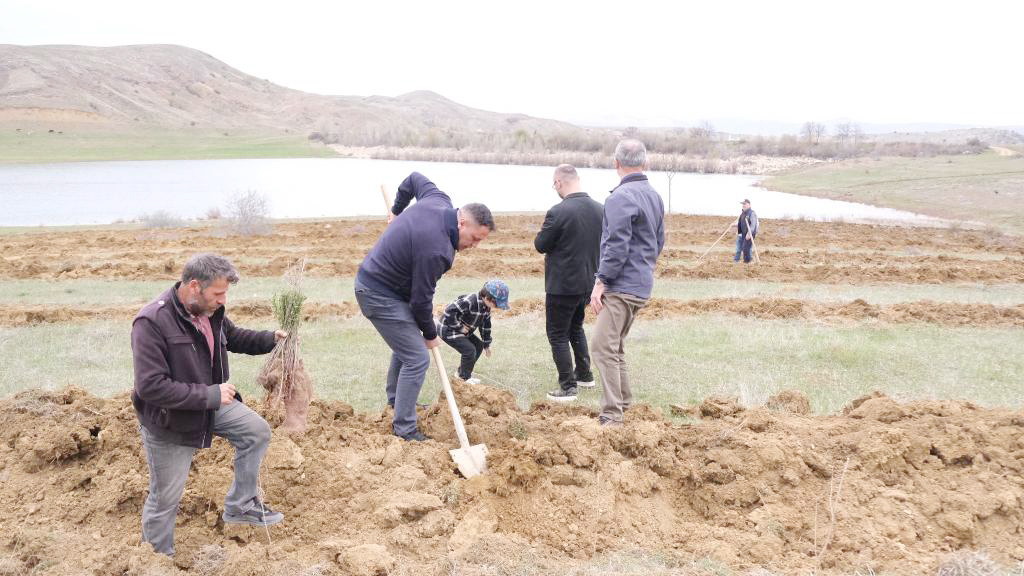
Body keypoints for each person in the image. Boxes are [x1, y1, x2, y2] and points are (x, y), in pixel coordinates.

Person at [131, 253, 288, 557]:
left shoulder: (210, 312)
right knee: (166, 499)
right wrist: (211, 395)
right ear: (194, 286)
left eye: (225, 292)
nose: (223, 299)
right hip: (171, 421)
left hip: (210, 405)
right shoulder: (151, 322)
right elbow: (151, 387)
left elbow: (233, 337)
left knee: (256, 431)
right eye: (218, 293)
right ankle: (155, 560)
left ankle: (241, 506)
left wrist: (271, 339)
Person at [355, 171, 494, 442]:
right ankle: (405, 429)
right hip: (377, 292)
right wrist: (431, 335)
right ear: (462, 222)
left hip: (391, 289)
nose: (475, 246)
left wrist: (396, 211)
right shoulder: (437, 250)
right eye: (475, 238)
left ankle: (397, 402)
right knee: (417, 357)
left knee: (409, 347)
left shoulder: (438, 199)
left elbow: (414, 178)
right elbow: (421, 302)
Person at [589, 139, 665, 426]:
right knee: (614, 345)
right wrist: (644, 267)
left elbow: (615, 245)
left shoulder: (620, 198)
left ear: (616, 163)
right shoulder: (653, 195)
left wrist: (601, 282)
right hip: (641, 283)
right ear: (644, 162)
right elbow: (659, 240)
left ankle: (612, 414)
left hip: (622, 287)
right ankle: (624, 403)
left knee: (600, 346)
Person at [534, 164, 604, 402]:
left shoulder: (558, 212)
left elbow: (541, 244)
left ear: (559, 183)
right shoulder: (601, 210)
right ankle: (584, 374)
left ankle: (568, 386)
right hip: (588, 282)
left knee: (557, 333)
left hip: (562, 285)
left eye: (554, 185)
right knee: (575, 327)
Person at [439, 280, 509, 384]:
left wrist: (486, 344)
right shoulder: (469, 301)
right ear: (487, 298)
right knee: (469, 350)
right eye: (497, 304)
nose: (497, 307)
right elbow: (449, 311)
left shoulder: (486, 307)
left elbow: (485, 326)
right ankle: (463, 378)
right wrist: (459, 327)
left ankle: (461, 372)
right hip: (448, 329)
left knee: (478, 346)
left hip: (463, 331)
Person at [733, 199, 759, 263]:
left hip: (749, 233)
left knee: (746, 248)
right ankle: (740, 261)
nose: (743, 205)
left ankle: (747, 262)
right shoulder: (743, 213)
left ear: (749, 205)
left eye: (745, 204)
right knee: (740, 248)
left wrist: (749, 234)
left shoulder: (752, 213)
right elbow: (741, 223)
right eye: (743, 204)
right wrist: (734, 225)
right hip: (742, 233)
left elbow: (753, 225)